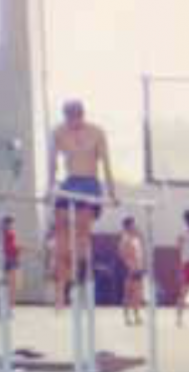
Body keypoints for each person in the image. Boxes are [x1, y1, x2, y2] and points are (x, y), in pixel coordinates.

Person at [46, 100, 117, 309]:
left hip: (89, 183)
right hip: (70, 182)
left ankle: (81, 276)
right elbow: (52, 164)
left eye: (75, 118)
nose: (72, 123)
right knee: (60, 232)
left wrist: (112, 192)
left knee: (81, 233)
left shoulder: (97, 132)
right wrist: (50, 188)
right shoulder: (58, 132)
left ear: (82, 115)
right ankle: (60, 288)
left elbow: (106, 163)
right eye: (68, 118)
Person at [118, 217, 146, 327]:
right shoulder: (125, 239)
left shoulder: (135, 238)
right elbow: (122, 254)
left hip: (137, 267)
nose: (135, 227)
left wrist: (140, 266)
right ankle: (127, 317)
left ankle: (137, 316)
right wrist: (129, 266)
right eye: (132, 225)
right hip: (129, 269)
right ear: (128, 226)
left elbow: (140, 250)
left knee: (137, 294)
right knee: (128, 294)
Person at [1, 216, 21, 309]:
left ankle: (10, 305)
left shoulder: (11, 233)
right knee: (11, 284)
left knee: (13, 284)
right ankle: (9, 306)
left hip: (12, 259)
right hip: (9, 259)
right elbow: (11, 247)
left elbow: (14, 246)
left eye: (12, 223)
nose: (11, 225)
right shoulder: (5, 234)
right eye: (9, 223)